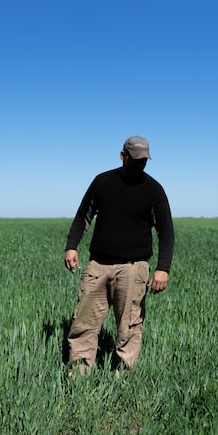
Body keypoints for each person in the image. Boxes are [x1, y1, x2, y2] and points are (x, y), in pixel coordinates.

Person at [64, 136, 175, 376]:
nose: (139, 165)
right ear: (122, 156)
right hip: (98, 266)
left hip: (133, 269)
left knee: (129, 328)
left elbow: (166, 232)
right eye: (135, 160)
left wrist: (162, 268)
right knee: (83, 324)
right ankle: (78, 379)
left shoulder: (153, 189)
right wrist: (72, 246)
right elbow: (83, 215)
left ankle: (123, 380)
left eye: (144, 161)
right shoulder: (102, 182)